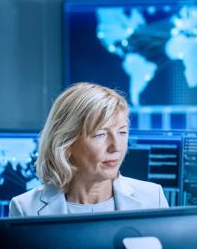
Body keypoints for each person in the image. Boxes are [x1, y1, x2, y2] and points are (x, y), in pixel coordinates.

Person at [9, 82, 169, 217]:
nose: (116, 147)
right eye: (100, 134)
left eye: (122, 132)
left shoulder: (153, 199)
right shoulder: (25, 209)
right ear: (66, 143)